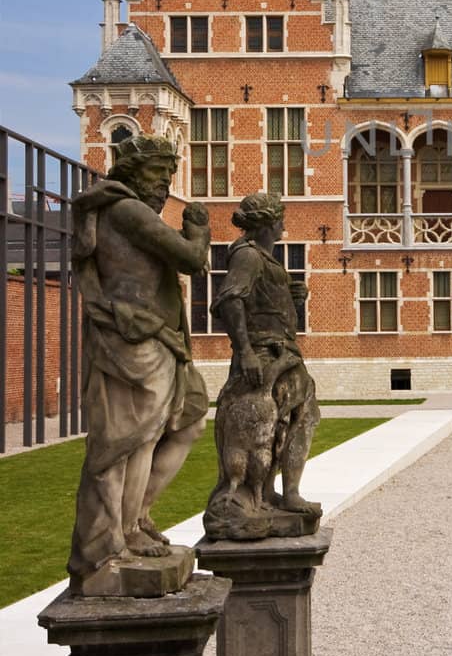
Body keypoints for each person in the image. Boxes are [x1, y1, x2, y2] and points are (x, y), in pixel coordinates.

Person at [68, 135, 210, 592]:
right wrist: (198, 227)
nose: (164, 187)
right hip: (133, 338)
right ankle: (115, 539)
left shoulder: (125, 209)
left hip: (153, 335)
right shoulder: (127, 211)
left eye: (169, 178)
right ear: (132, 174)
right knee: (131, 440)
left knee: (183, 422)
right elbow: (190, 259)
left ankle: (137, 517)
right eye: (157, 176)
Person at [206, 191, 320, 537]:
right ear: (269, 223)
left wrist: (291, 296)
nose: (285, 224)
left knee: (292, 422)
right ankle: (266, 495)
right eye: (281, 219)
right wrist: (245, 352)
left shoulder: (263, 259)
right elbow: (230, 300)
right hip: (266, 356)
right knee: (269, 427)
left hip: (282, 354)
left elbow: (259, 302)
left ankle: (277, 494)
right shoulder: (248, 257)